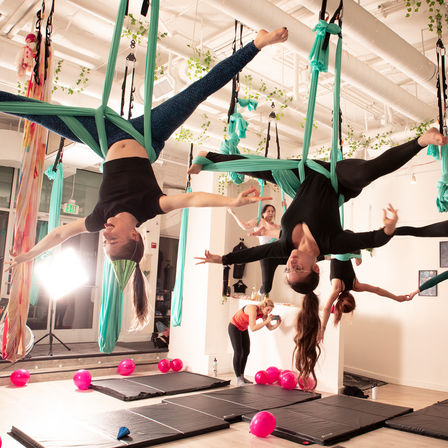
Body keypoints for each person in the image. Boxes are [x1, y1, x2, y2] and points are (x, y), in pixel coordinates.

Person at [2, 28, 289, 325]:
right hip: (149, 133)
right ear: (133, 235)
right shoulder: (150, 206)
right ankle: (257, 43)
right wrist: (230, 201)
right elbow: (191, 198)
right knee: (199, 91)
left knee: (34, 112)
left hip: (104, 138)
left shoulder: (100, 216)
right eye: (112, 240)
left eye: (105, 242)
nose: (105, 235)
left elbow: (60, 234)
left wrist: (29, 255)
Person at [193, 127, 448, 383]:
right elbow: (372, 239)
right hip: (338, 181)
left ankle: (208, 159)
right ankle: (421, 141)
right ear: (315, 268)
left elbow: (256, 252)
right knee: (367, 172)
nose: (291, 263)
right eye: (298, 269)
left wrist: (221, 260)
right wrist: (389, 228)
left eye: (289, 270)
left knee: (262, 167)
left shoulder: (283, 246)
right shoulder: (332, 242)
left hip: (303, 175)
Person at [319, 256, 413, 344]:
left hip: (343, 248)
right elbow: (327, 309)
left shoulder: (354, 285)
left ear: (352, 298)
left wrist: (397, 298)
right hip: (335, 250)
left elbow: (377, 290)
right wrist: (323, 329)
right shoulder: (338, 289)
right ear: (338, 302)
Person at [227, 204, 283, 295]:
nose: (271, 213)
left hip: (276, 253)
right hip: (265, 255)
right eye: (268, 211)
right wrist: (233, 213)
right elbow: (244, 226)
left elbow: (286, 230)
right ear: (263, 213)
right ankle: (258, 293)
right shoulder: (259, 221)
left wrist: (286, 207)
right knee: (267, 288)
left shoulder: (277, 226)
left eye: (273, 211)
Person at [228, 299, 281, 386]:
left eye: (270, 311)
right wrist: (266, 321)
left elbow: (270, 327)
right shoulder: (253, 309)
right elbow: (253, 328)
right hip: (234, 327)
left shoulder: (263, 314)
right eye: (268, 310)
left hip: (243, 328)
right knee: (238, 352)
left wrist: (277, 324)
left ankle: (242, 377)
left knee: (246, 352)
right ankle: (238, 379)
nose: (268, 312)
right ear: (263, 307)